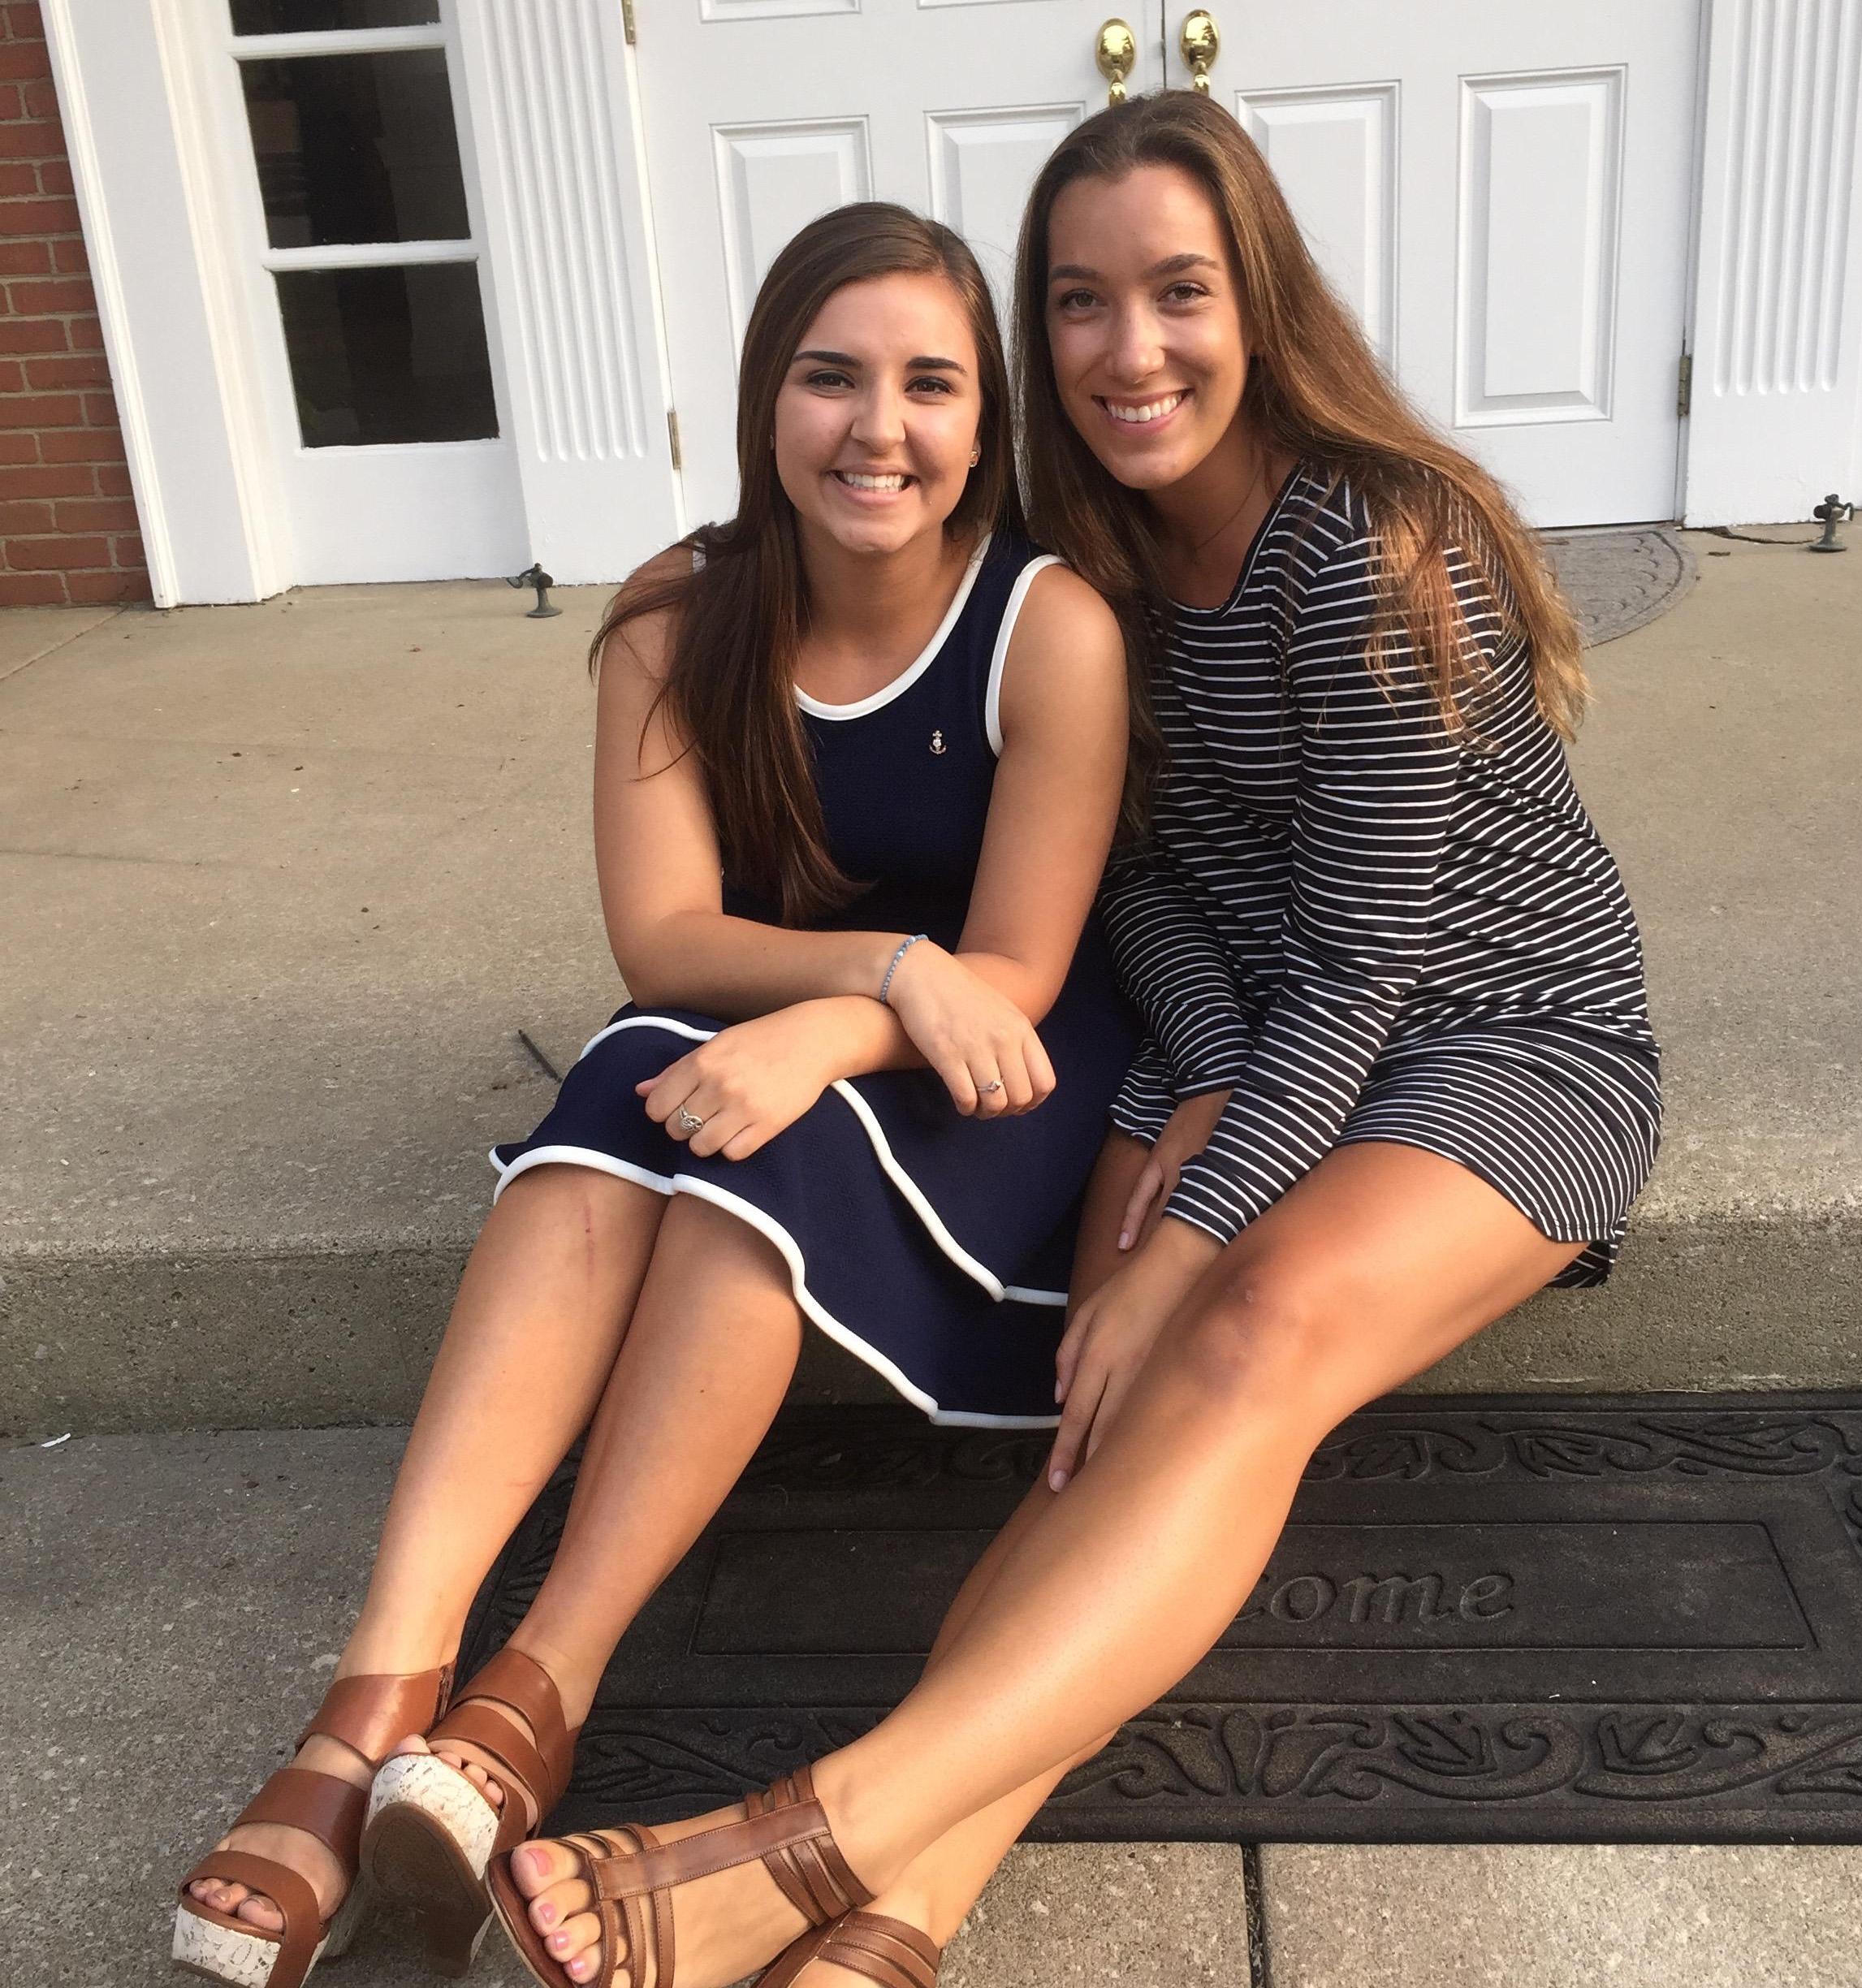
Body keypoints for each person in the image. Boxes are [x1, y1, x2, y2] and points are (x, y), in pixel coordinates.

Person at [495, 93, 1661, 1988]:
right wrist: (1198, 1082)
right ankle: (903, 1923)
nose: (1132, 351)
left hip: (1505, 1042)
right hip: (1262, 1041)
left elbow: (1363, 971)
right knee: (1098, 1427)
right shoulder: (1090, 571)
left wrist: (1193, 1224)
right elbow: (1153, 897)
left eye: (1179, 291)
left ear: (1258, 300)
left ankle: (807, 1842)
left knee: (1238, 1332)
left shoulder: (1374, 548)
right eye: (1081, 301)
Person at [170, 201, 1132, 1988]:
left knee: (764, 1148)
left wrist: (859, 1022)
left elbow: (1010, 972)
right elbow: (669, 936)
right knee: (627, 1087)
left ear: (986, 422)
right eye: (831, 377)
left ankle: (540, 1688)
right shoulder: (678, 614)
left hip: (991, 1068)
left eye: (931, 385)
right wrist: (868, 971)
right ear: (765, 398)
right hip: (785, 1007)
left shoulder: (1046, 627)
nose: (879, 428)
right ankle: (375, 1698)